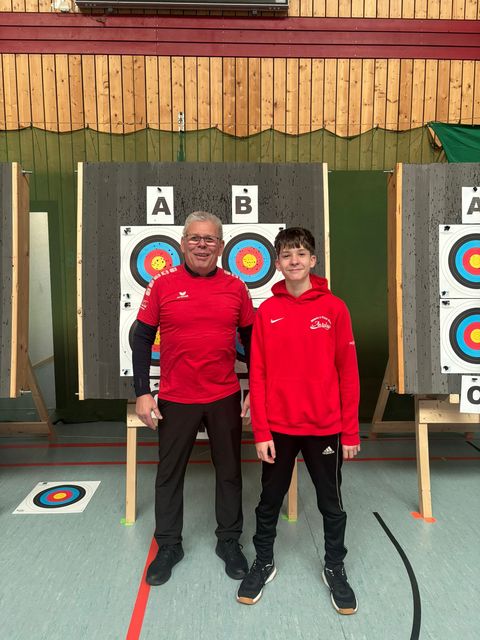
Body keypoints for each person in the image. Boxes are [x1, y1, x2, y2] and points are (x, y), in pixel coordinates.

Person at [236, 227, 360, 614]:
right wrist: (261, 431)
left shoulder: (335, 308)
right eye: (287, 255)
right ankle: (263, 562)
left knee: (331, 504)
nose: (295, 260)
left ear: (313, 260)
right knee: (268, 501)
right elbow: (257, 374)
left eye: (302, 253)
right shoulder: (267, 312)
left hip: (326, 428)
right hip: (278, 429)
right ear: (277, 263)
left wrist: (350, 431)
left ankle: (335, 566)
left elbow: (348, 372)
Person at [133, 211, 255, 586]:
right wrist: (142, 392)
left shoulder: (236, 287)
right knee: (169, 474)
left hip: (223, 395)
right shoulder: (162, 284)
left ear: (221, 246)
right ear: (183, 242)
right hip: (177, 396)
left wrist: (258, 389)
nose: (202, 245)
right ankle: (169, 546)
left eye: (210, 239)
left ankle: (229, 541)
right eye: (195, 238)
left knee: (230, 472)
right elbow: (141, 337)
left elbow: (252, 342)